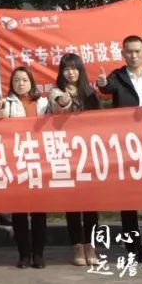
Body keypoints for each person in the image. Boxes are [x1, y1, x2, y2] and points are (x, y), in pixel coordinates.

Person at [95, 35, 142, 262]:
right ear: (123, 53)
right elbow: (107, 88)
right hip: (126, 146)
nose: (134, 55)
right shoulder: (117, 77)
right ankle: (133, 248)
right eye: (129, 51)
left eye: (137, 51)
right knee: (128, 199)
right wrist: (102, 83)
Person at [0, 66, 50, 268]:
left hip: (39, 161)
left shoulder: (43, 103)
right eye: (16, 80)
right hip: (16, 161)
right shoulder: (7, 102)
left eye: (24, 80)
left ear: (31, 82)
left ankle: (39, 254)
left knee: (39, 212)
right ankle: (24, 255)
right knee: (19, 212)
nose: (21, 84)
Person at [49, 53, 101, 266]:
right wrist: (65, 101)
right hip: (67, 153)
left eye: (74, 68)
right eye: (66, 68)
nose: (70, 72)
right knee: (72, 203)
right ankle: (77, 246)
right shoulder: (56, 92)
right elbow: (58, 105)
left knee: (91, 204)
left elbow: (101, 121)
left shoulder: (90, 93)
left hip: (89, 153)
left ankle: (91, 246)